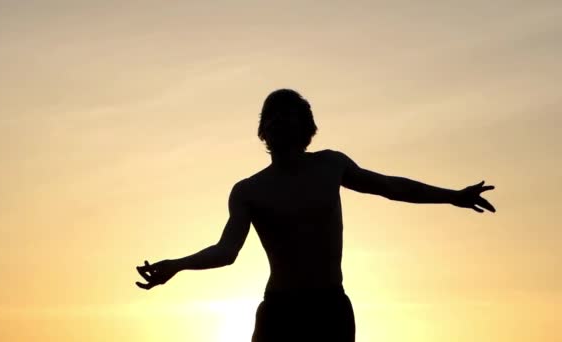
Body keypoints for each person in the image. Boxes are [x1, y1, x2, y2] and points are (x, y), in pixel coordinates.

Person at [135, 89, 496, 341]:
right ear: (263, 129)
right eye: (270, 116)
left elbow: (390, 186)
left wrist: (453, 196)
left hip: (329, 309)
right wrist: (177, 265)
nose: (277, 121)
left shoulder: (330, 166)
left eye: (286, 114)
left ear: (305, 126)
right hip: (280, 312)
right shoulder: (248, 190)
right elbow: (226, 252)